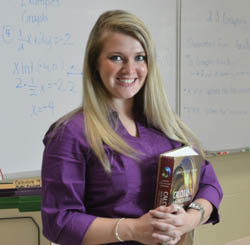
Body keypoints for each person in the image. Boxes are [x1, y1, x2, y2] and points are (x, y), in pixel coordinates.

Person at [41, 10, 223, 245]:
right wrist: (134, 229)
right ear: (95, 63)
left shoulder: (165, 126)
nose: (129, 69)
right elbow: (60, 221)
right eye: (117, 57)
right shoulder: (70, 133)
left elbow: (208, 182)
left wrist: (191, 218)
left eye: (139, 57)